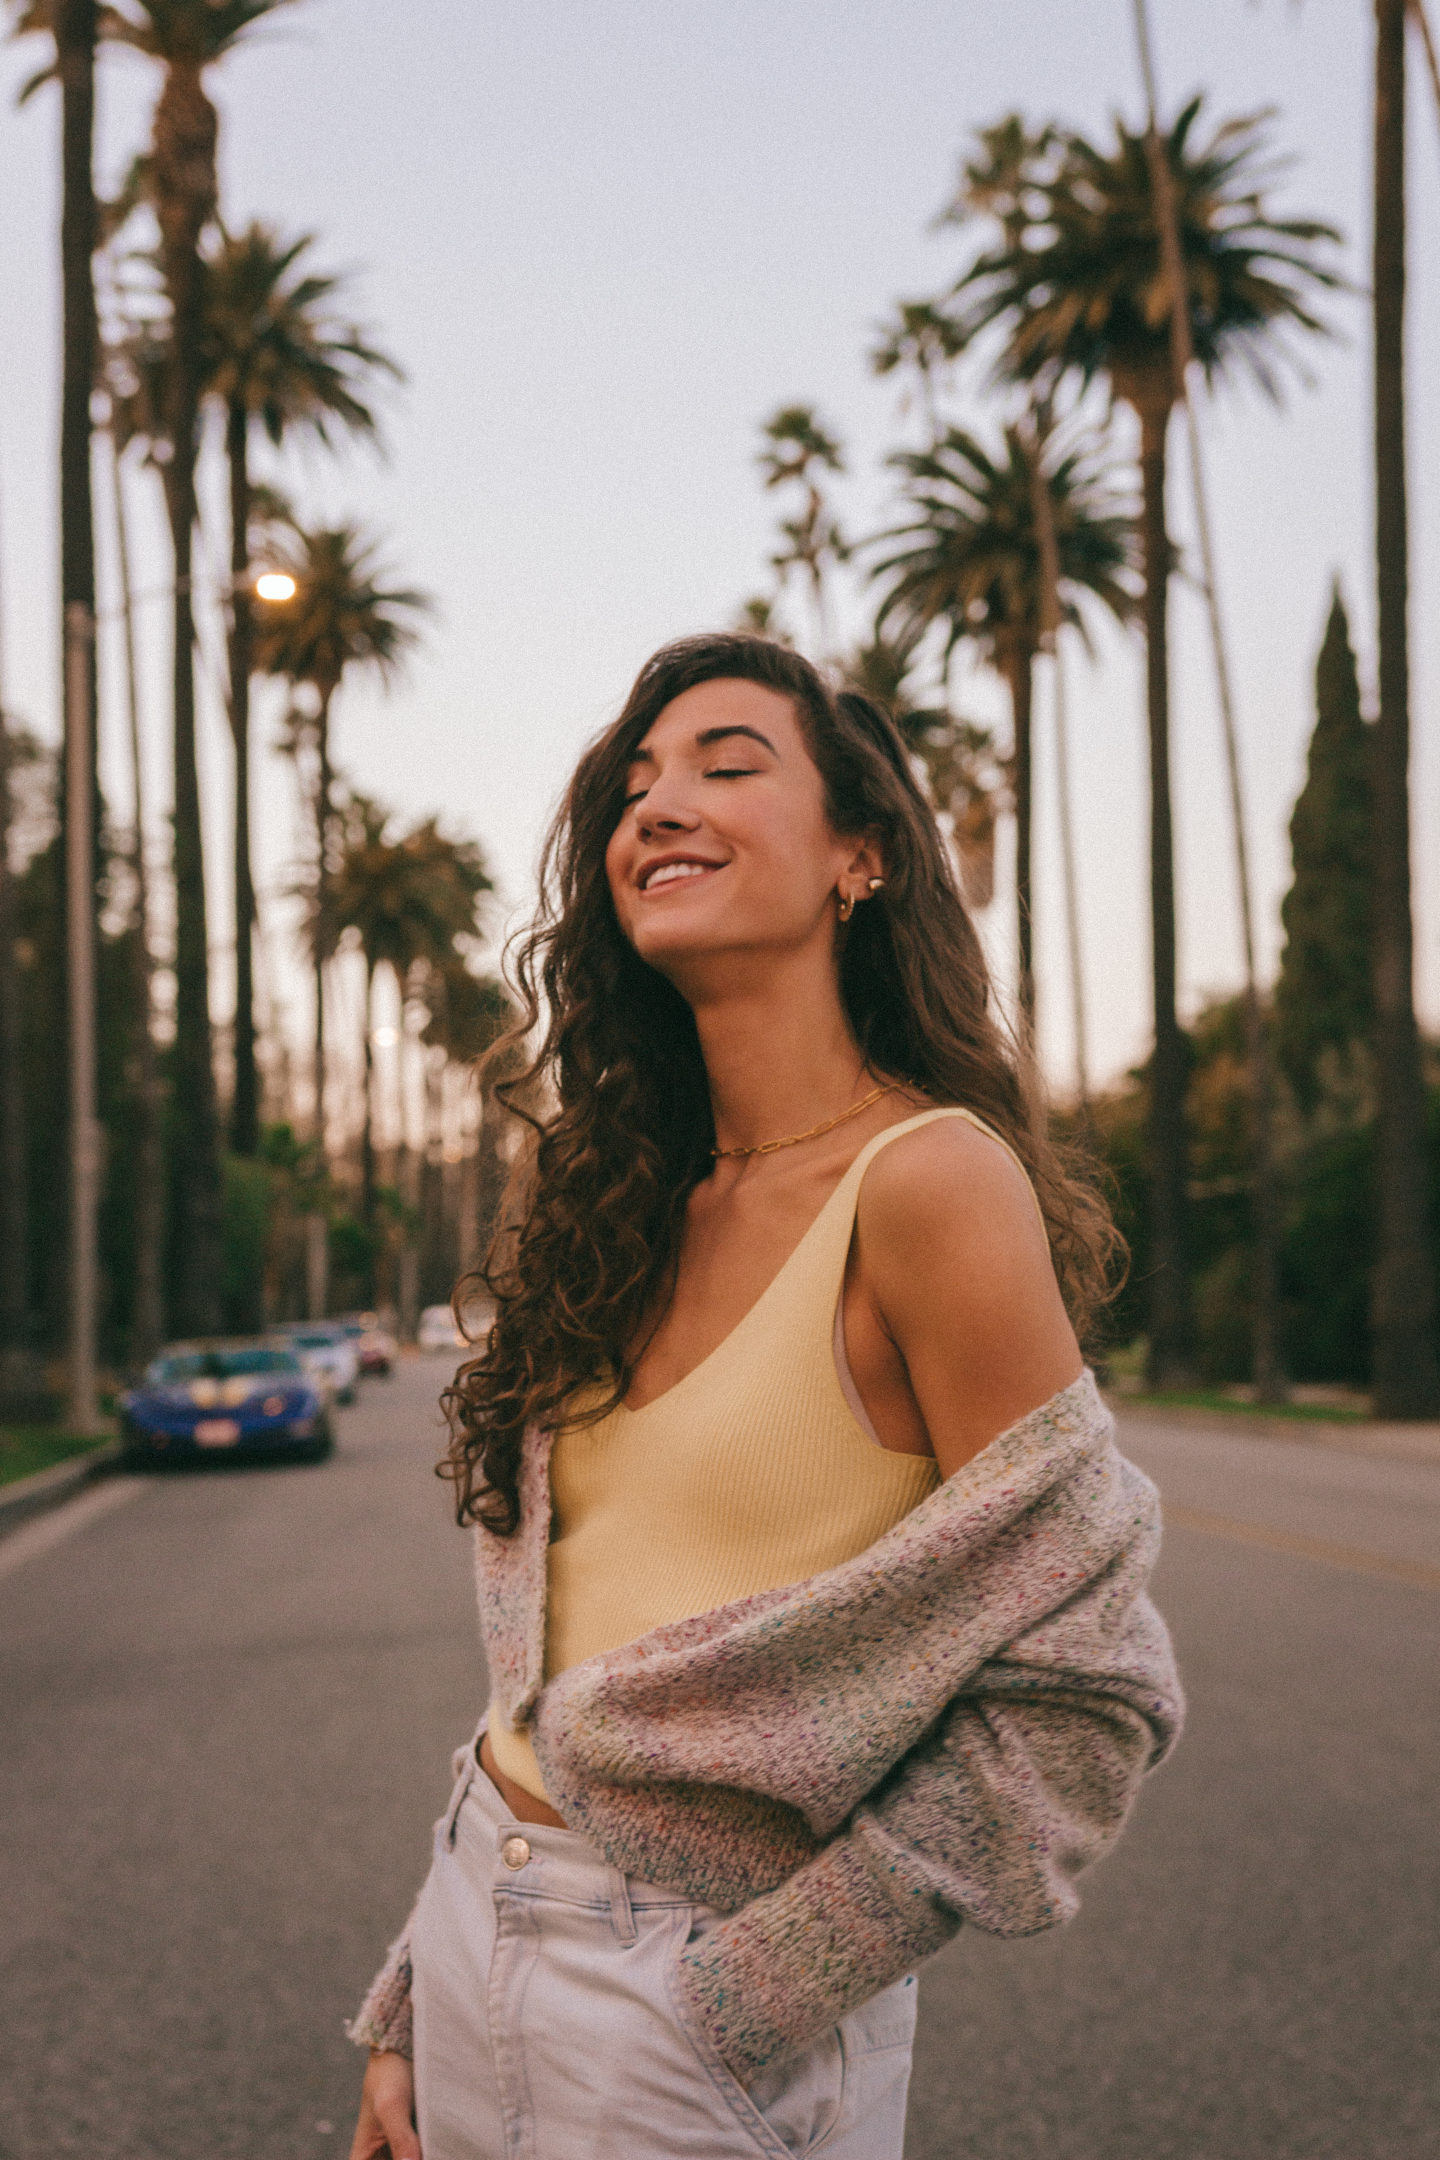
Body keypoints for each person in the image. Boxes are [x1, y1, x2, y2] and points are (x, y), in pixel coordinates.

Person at [347, 634, 1182, 2160]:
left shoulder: (927, 1184)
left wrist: (750, 1992)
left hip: (690, 2011)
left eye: (728, 766)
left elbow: (1089, 1692)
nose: (660, 804)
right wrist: (420, 1990)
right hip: (479, 1929)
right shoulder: (621, 1204)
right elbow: (539, 1673)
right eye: (635, 785)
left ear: (858, 857)